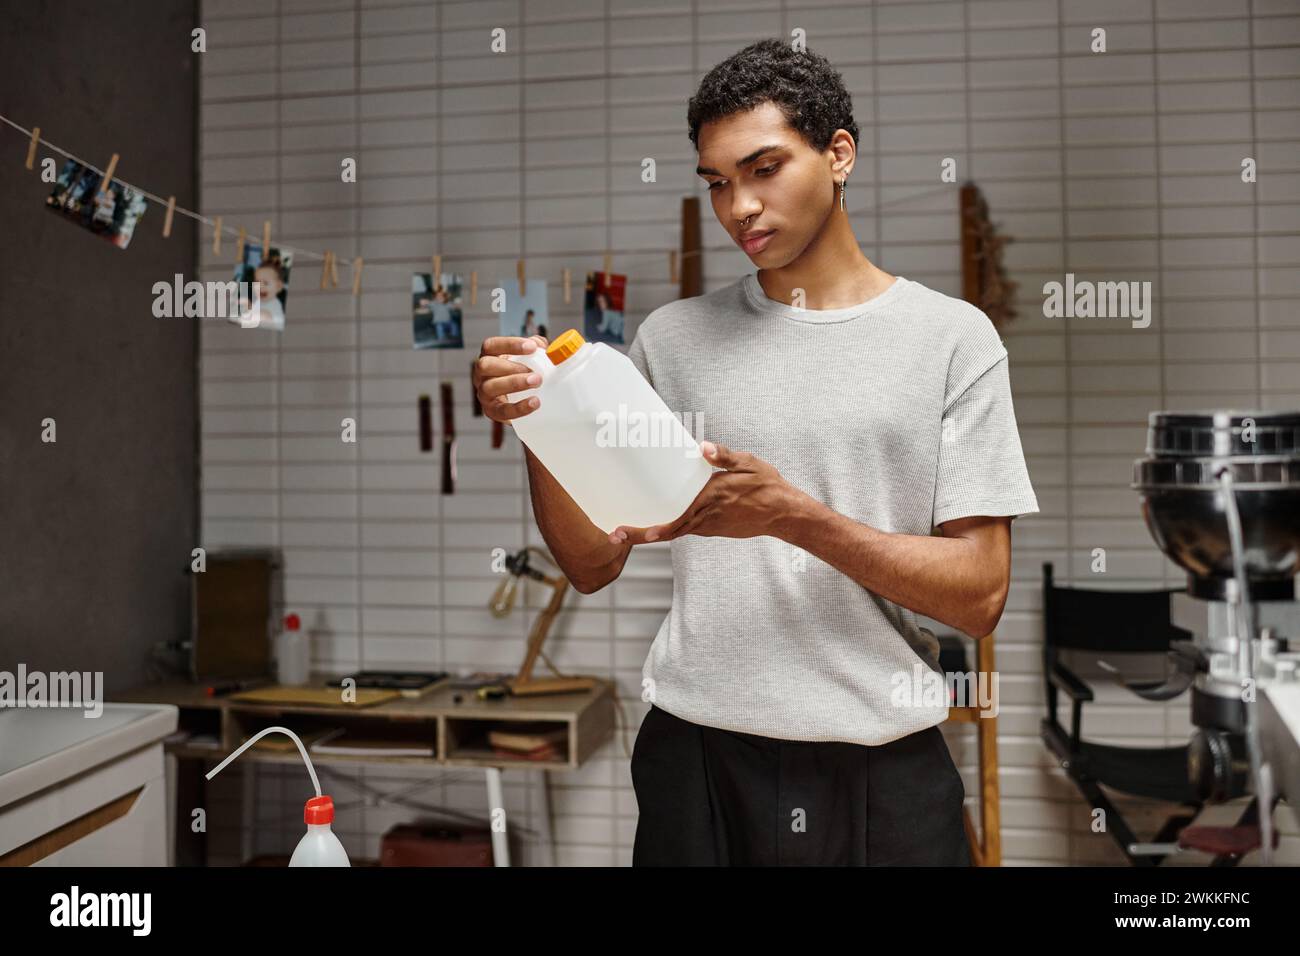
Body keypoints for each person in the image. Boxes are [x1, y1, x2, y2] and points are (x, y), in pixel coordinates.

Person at [471, 39, 1038, 866]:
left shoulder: (952, 341)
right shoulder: (671, 340)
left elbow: (979, 595)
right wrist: (538, 420)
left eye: (764, 168)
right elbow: (593, 562)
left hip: (881, 766)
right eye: (717, 183)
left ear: (839, 153)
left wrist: (796, 519)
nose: (738, 206)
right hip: (696, 759)